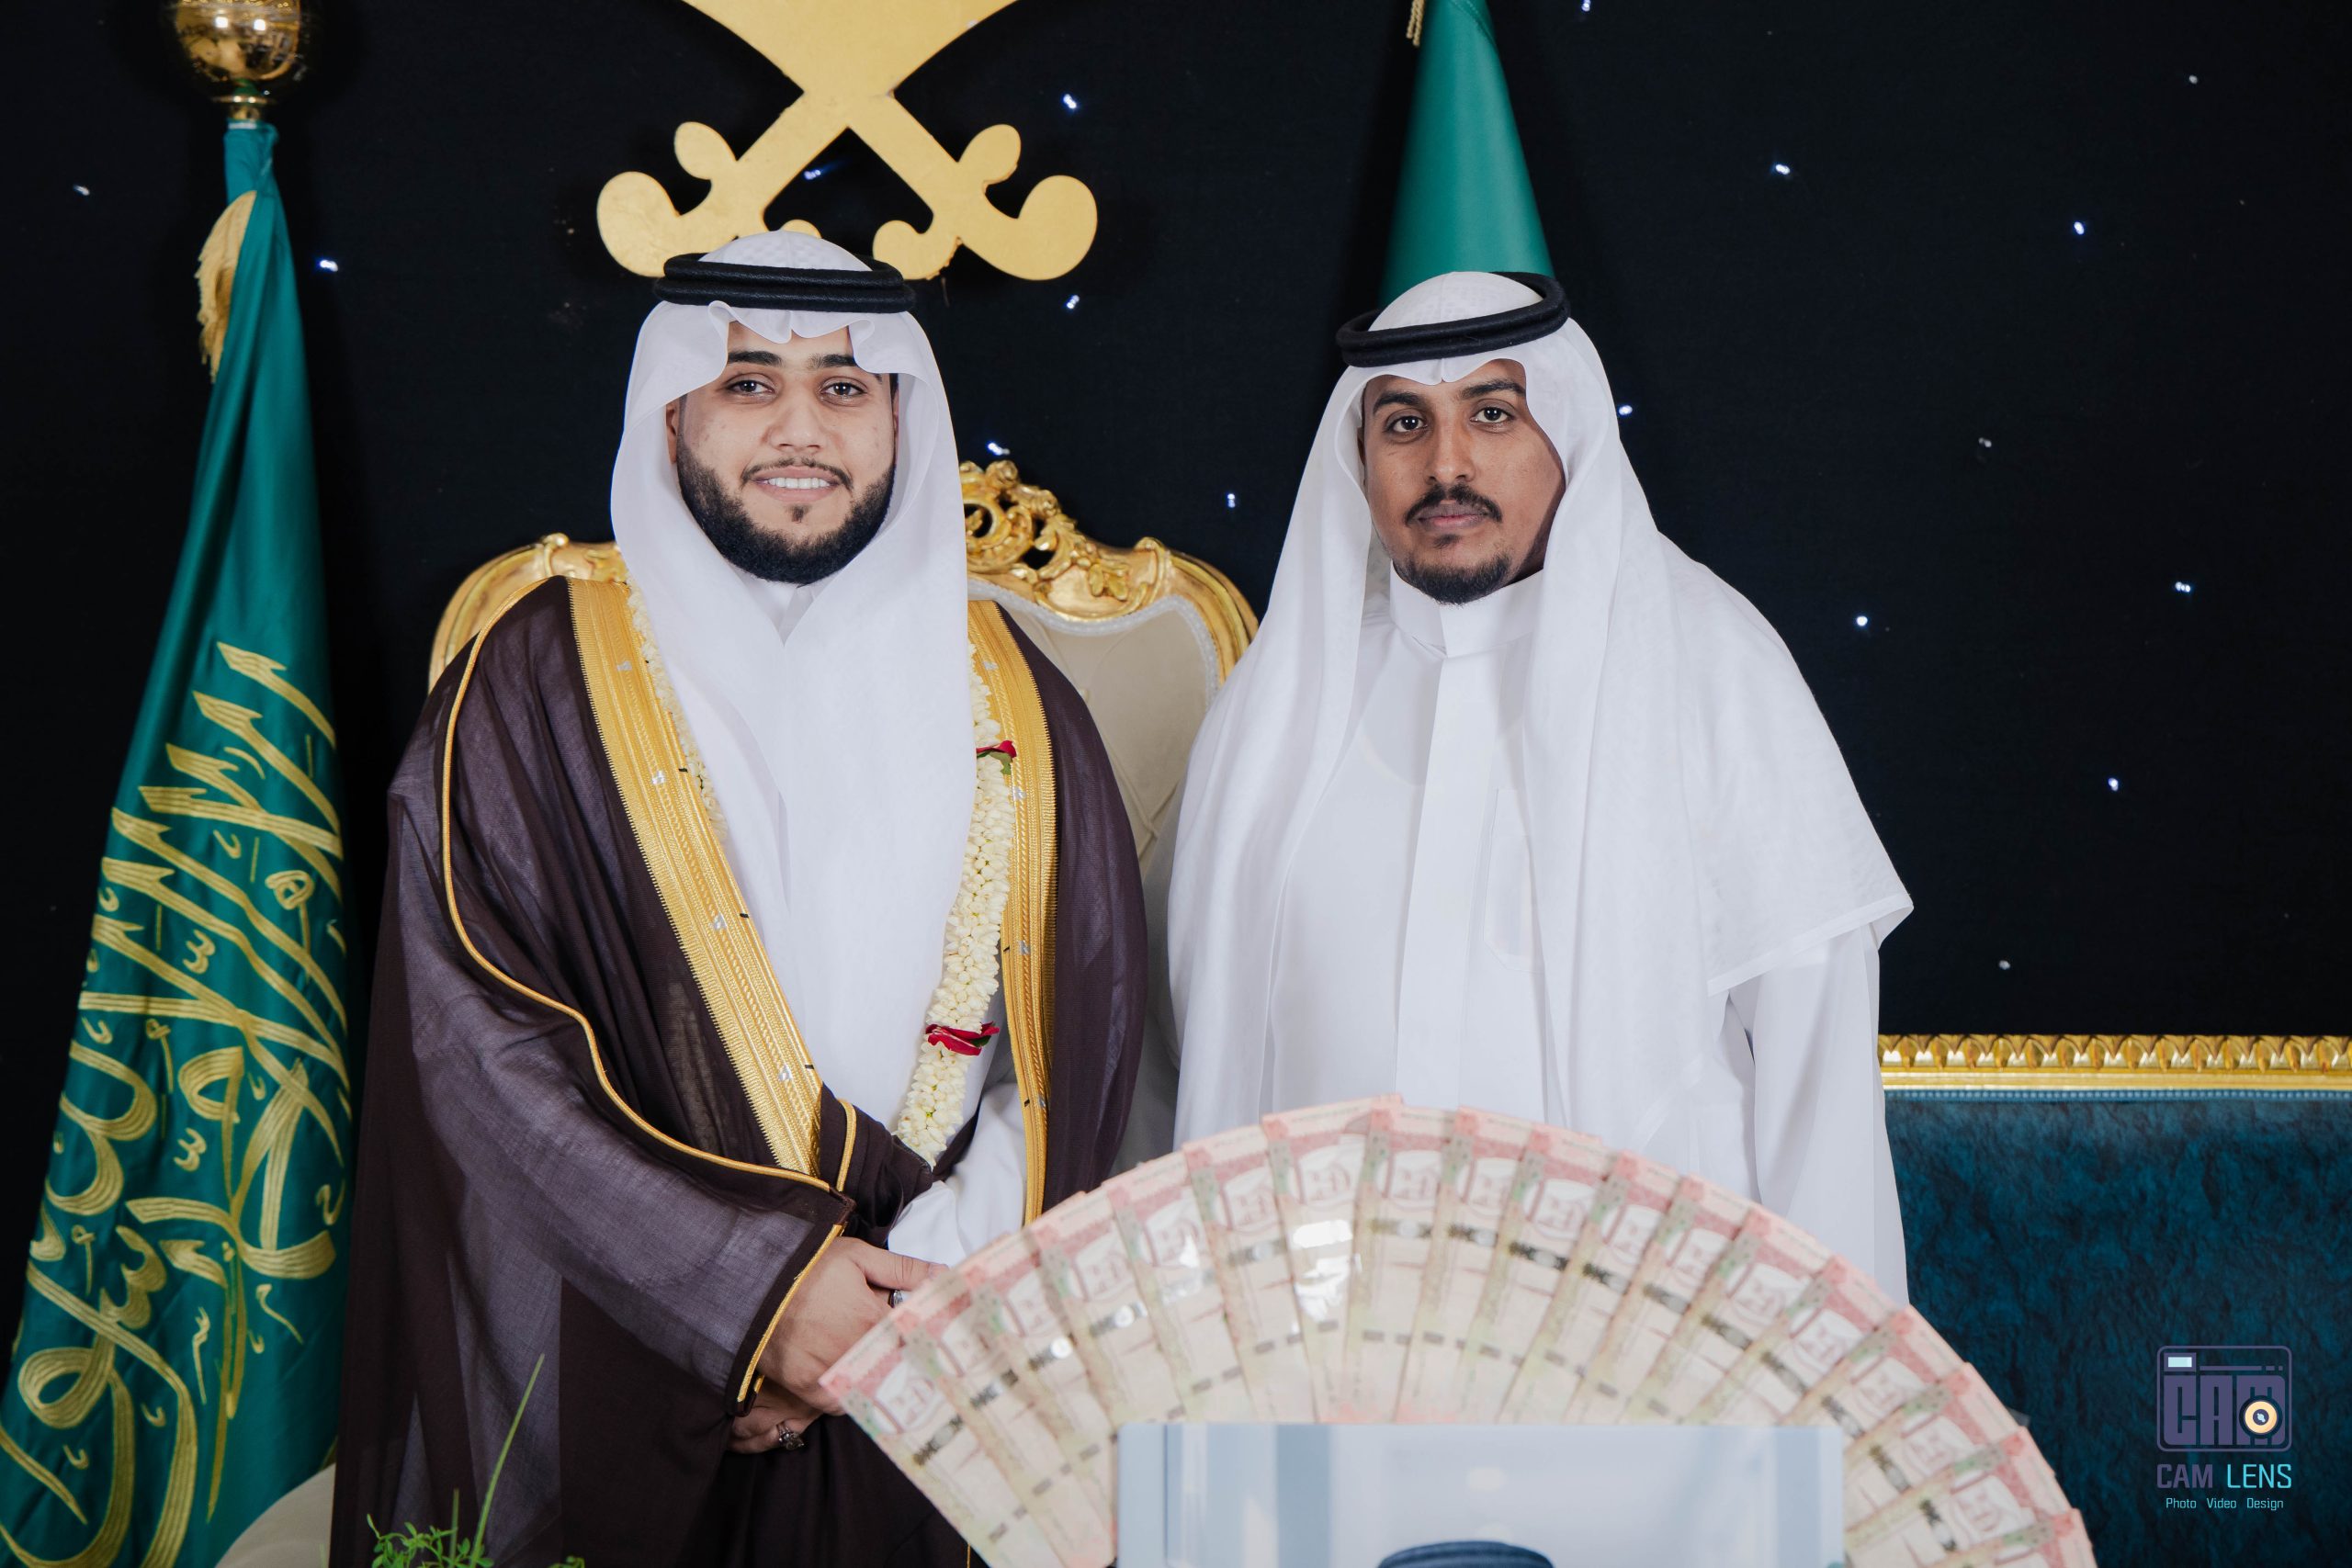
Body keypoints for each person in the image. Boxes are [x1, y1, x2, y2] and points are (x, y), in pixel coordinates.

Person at [331, 231, 1146, 1565]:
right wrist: (745, 1300)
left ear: (901, 420)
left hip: (942, 1362)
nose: (799, 428)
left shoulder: (1021, 702)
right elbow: (478, 1053)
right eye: (748, 382)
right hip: (631, 1353)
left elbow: (1078, 1046)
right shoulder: (529, 684)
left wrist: (896, 1318)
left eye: (844, 386)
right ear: (673, 415)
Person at [1166, 270, 1911, 1303]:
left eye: (1493, 413)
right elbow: (1202, 1065)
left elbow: (1816, 1064)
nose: (1447, 464)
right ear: (1358, 459)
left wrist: (1829, 1370)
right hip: (1328, 1335)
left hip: (1646, 1332)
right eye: (1403, 423)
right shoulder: (1274, 712)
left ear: (1568, 431)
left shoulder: (1710, 667)